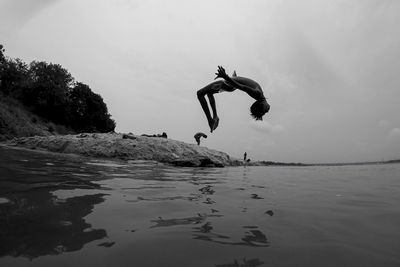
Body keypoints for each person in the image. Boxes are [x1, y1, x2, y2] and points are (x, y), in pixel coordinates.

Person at [197, 66, 270, 132]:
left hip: (227, 84)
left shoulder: (257, 93)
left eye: (265, 110)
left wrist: (225, 76)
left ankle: (210, 120)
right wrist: (234, 77)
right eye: (266, 111)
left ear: (261, 104)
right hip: (231, 84)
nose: (267, 111)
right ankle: (215, 116)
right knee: (210, 93)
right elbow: (243, 83)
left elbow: (242, 87)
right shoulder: (261, 96)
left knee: (200, 93)